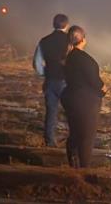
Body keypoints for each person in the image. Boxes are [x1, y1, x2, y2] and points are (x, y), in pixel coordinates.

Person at [61, 25, 106, 168]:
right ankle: (84, 168)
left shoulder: (68, 57)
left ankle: (73, 164)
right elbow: (94, 81)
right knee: (87, 136)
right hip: (86, 101)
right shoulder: (86, 60)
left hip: (70, 98)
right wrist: (103, 89)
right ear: (83, 40)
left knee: (75, 132)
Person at [33, 14, 70, 147]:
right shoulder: (70, 41)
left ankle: (50, 141)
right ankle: (72, 141)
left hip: (50, 81)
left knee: (51, 111)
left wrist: (45, 73)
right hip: (67, 82)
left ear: (53, 24)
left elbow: (37, 64)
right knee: (71, 111)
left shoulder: (44, 41)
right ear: (66, 25)